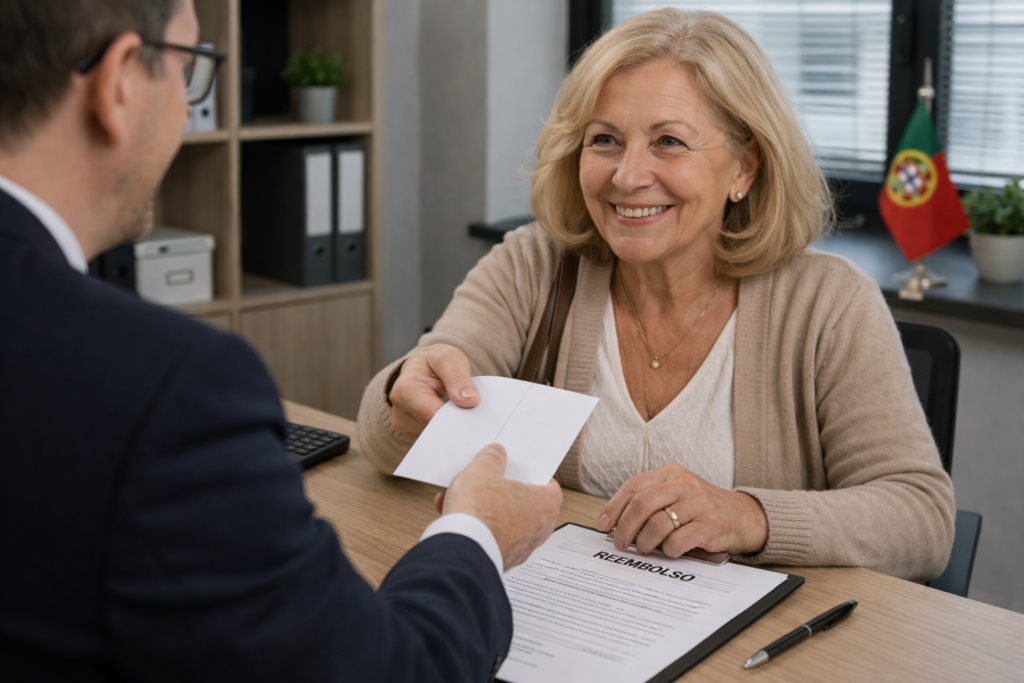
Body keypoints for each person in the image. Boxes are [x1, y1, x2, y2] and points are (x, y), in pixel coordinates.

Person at [0, 0, 562, 680]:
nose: (185, 109)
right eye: (188, 70)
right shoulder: (168, 388)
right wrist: (477, 534)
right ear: (118, 83)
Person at [358, 8, 955, 582]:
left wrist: (749, 515)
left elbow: (922, 518)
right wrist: (405, 395)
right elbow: (381, 439)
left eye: (668, 141)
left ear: (744, 169)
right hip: (566, 618)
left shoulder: (829, 302)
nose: (626, 176)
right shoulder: (534, 262)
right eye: (605, 140)